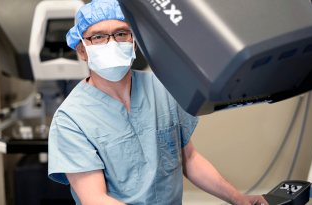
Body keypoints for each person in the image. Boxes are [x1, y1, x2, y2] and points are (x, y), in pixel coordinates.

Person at [48, 0, 269, 204]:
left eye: (121, 33)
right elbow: (95, 199)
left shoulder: (163, 87)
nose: (112, 43)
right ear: (81, 50)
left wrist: (238, 198)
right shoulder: (71, 119)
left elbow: (190, 159)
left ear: (134, 42)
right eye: (98, 37)